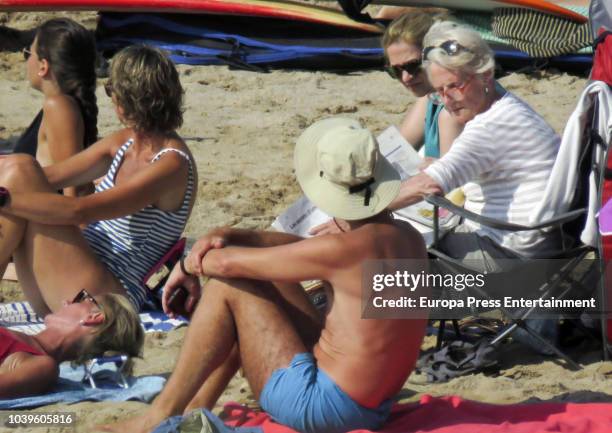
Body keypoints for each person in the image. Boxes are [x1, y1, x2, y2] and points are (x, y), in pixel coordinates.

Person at [100, 117, 428, 433]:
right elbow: (297, 249)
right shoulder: (408, 239)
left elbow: (225, 266)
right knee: (264, 280)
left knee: (230, 288)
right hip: (374, 407)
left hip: (325, 409)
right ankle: (194, 409)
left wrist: (188, 264)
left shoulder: (344, 251)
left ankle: (161, 413)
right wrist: (231, 233)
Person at [0, 45, 197, 315]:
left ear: (125, 100)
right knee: (20, 168)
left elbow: (79, 210)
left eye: (111, 91)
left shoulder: (171, 165)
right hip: (74, 279)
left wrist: (6, 200)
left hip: (110, 301)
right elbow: (42, 177)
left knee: (16, 182)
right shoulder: (124, 142)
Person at [389, 21, 561, 265]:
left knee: (388, 239)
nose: (448, 100)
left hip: (506, 255)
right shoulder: (508, 108)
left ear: (486, 75)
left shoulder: (490, 126)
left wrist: (358, 213)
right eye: (439, 91)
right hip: (536, 242)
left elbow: (428, 185)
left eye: (455, 85)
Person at [0, 291, 144, 399]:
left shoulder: (43, 366)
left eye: (80, 299)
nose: (66, 301)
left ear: (93, 317)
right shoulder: (23, 343)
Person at [14, 18, 98, 197]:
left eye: (28, 53)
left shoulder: (59, 108)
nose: (27, 60)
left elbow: (74, 191)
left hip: (47, 223)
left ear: (43, 66)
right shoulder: (66, 106)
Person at [382, 10, 464, 159]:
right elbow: (397, 148)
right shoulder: (434, 95)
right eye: (396, 70)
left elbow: (449, 175)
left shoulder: (461, 102)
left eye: (413, 66)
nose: (406, 78)